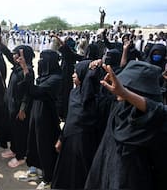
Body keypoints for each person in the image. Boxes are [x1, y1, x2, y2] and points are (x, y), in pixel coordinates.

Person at [85, 61, 167, 190]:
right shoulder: (120, 110)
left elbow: (158, 112)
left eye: (125, 87)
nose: (119, 89)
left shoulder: (154, 122)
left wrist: (126, 94)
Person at [51, 60, 101, 189]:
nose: (73, 75)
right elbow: (69, 119)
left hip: (85, 145)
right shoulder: (74, 93)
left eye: (77, 72)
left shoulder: (96, 100)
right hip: (69, 141)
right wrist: (61, 139)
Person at [19, 49, 62, 189]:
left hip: (47, 120)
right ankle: (36, 170)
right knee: (34, 144)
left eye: (43, 59)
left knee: (45, 147)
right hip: (36, 115)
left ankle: (48, 179)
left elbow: (35, 91)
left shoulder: (56, 79)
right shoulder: (44, 77)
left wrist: (25, 69)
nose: (40, 62)